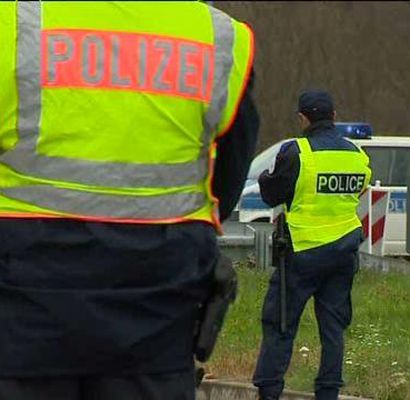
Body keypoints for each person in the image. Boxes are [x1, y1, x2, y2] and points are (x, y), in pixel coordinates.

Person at [0, 2, 258, 399]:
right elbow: (229, 173)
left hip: (23, 316)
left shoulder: (13, 25)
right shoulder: (216, 36)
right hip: (155, 319)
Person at [253, 90, 371, 400]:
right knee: (333, 328)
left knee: (280, 324)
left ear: (303, 118)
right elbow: (360, 189)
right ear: (334, 116)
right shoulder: (357, 155)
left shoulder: (297, 152)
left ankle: (269, 391)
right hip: (343, 254)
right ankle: (328, 392)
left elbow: (272, 195)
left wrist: (267, 178)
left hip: (301, 254)